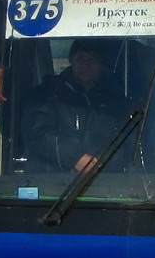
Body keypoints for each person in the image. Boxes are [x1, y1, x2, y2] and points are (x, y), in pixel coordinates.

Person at [21, 38, 133, 172]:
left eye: (93, 59)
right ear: (72, 61)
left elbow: (127, 142)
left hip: (104, 184)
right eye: (81, 58)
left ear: (102, 65)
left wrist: (104, 165)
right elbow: (36, 133)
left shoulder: (117, 102)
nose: (86, 64)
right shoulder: (46, 94)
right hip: (52, 184)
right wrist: (75, 158)